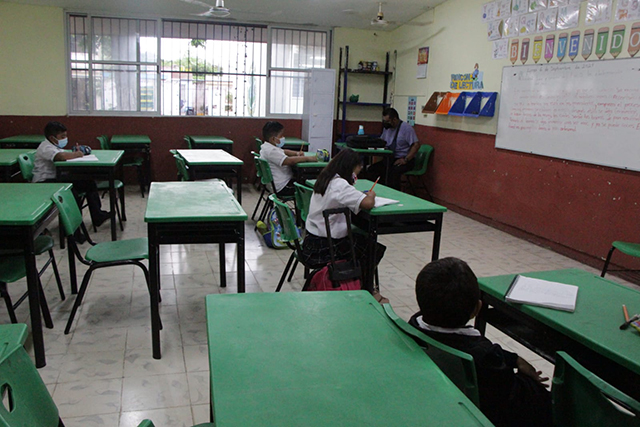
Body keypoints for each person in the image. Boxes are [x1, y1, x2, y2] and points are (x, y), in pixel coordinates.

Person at [409, 257, 552, 427]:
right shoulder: (486, 360)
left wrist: (513, 359)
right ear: (477, 309)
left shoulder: (413, 327)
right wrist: (530, 384)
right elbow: (514, 399)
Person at [300, 148, 387, 302]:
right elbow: (367, 203)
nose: (358, 174)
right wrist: (371, 195)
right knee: (371, 247)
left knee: (361, 241)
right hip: (326, 247)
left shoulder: (326, 178)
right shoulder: (340, 184)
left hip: (311, 242)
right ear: (351, 167)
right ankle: (366, 289)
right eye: (358, 169)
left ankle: (359, 282)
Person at [33, 121, 110, 231]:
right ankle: (73, 228)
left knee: (89, 182)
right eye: (62, 136)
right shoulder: (45, 147)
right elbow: (60, 157)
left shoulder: (55, 145)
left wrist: (74, 153)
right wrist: (76, 154)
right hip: (45, 182)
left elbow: (64, 154)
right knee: (71, 192)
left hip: (58, 178)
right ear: (52, 137)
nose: (65, 138)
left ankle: (98, 216)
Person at [365, 107, 420, 190]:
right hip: (389, 159)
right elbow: (382, 141)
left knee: (393, 173)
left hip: (404, 159)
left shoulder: (406, 128)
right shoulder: (387, 129)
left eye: (387, 121)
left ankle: (395, 195)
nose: (386, 123)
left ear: (394, 119)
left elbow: (416, 145)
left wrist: (405, 159)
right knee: (372, 170)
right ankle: (378, 191)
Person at [259, 121, 316, 198]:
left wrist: (296, 154)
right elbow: (289, 161)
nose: (283, 137)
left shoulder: (267, 147)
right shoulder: (271, 151)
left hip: (275, 184)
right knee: (310, 186)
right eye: (281, 135)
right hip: (283, 187)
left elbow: (284, 151)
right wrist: (308, 158)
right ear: (273, 139)